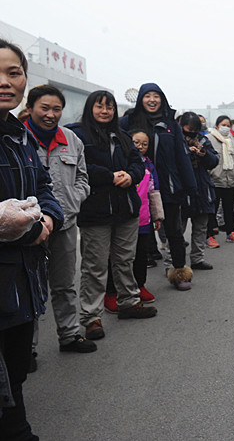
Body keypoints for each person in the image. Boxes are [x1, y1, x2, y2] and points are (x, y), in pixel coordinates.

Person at [0, 40, 65, 439]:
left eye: (13, 72)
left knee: (15, 373)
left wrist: (48, 220)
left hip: (21, 282)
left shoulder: (19, 137)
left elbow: (44, 188)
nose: (5, 82)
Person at [68, 90, 157, 341]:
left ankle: (129, 302)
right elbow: (78, 166)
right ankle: (91, 317)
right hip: (95, 210)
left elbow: (138, 163)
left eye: (109, 107)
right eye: (99, 106)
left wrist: (131, 175)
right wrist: (109, 176)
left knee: (124, 260)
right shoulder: (77, 134)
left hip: (126, 208)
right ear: (90, 108)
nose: (105, 111)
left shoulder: (122, 135)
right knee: (94, 267)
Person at [22, 86, 96, 361]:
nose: (51, 114)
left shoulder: (71, 140)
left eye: (56, 109)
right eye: (44, 108)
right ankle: (26, 349)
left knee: (65, 284)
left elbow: (83, 179)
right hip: (27, 228)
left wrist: (73, 201)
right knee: (29, 287)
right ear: (30, 108)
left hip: (64, 224)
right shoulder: (17, 139)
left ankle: (69, 334)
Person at [120, 83, 198, 292]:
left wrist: (190, 187)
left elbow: (182, 156)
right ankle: (132, 283)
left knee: (174, 231)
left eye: (156, 96)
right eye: (148, 96)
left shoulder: (171, 123)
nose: (152, 100)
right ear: (141, 99)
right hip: (138, 185)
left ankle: (179, 272)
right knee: (137, 234)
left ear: (162, 99)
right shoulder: (128, 121)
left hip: (168, 185)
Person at [103, 129, 163, 311]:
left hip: (144, 218)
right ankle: (111, 292)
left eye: (144, 144)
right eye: (136, 142)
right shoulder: (120, 161)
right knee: (118, 257)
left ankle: (139, 285)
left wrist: (157, 216)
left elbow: (154, 192)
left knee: (140, 255)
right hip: (123, 216)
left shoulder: (149, 166)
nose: (140, 146)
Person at [179, 112, 219, 269]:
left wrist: (203, 154)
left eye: (195, 129)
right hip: (182, 189)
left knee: (201, 228)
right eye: (189, 129)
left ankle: (197, 259)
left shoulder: (203, 140)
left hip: (202, 188)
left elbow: (214, 161)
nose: (192, 132)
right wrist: (187, 153)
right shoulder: (176, 140)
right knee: (178, 230)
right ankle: (175, 262)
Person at [207, 115, 234, 244]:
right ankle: (209, 235)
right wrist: (212, 173)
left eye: (228, 126)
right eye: (223, 125)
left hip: (230, 180)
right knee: (212, 210)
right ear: (217, 126)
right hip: (215, 180)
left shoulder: (232, 141)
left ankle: (230, 233)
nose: (226, 128)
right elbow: (206, 159)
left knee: (229, 209)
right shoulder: (209, 139)